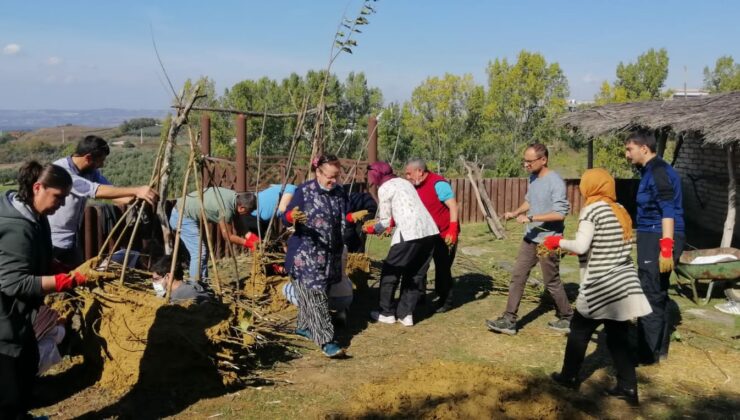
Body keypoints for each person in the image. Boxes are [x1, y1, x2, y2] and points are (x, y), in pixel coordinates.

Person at [546, 168, 652, 406]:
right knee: (617, 338)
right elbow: (606, 244)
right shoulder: (620, 210)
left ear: (591, 186)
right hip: (623, 284)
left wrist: (557, 242)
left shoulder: (592, 210)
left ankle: (568, 376)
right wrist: (575, 248)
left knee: (579, 331)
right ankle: (628, 387)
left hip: (601, 285)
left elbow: (582, 245)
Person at [0, 161, 93, 419]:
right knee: (8, 385)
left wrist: (58, 267)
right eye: (58, 197)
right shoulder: (16, 227)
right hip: (3, 321)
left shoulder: (36, 216)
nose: (61, 205)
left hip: (19, 317)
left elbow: (36, 257)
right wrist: (66, 281)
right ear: (37, 187)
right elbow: (13, 283)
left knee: (26, 366)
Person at [282, 154, 366, 358]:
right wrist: (291, 217)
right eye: (329, 176)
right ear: (318, 172)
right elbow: (284, 218)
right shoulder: (304, 191)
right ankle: (327, 341)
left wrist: (351, 217)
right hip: (306, 256)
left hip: (331, 255)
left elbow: (342, 216)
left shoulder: (339, 192)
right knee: (317, 297)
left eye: (336, 176)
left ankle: (303, 326)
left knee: (318, 295)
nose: (334, 180)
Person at [486, 143, 573, 335]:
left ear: (543, 159)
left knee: (551, 281)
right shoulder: (533, 178)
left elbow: (560, 214)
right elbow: (530, 201)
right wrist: (515, 212)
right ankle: (509, 320)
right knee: (518, 275)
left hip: (548, 240)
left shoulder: (555, 181)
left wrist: (532, 218)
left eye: (529, 161)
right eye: (524, 161)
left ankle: (567, 317)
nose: (526, 165)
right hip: (530, 237)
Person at [48, 135, 159, 268]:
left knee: (74, 277)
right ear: (88, 158)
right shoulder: (62, 171)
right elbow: (96, 191)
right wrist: (137, 190)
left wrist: (136, 198)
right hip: (51, 239)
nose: (102, 165)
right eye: (100, 161)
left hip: (72, 238)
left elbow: (111, 191)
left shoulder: (90, 171)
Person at [624, 129, 685, 364]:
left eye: (630, 149)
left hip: (660, 236)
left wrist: (666, 247)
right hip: (651, 234)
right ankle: (657, 349)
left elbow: (668, 209)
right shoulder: (649, 170)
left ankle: (647, 354)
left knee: (650, 291)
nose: (627, 155)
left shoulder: (659, 171)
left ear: (644, 148)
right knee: (656, 290)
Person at [364, 161, 438, 327]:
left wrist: (371, 229)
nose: (370, 179)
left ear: (377, 175)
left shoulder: (384, 188)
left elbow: (385, 221)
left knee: (390, 271)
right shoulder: (405, 182)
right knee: (415, 274)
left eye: (371, 176)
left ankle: (386, 312)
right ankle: (406, 314)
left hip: (409, 231)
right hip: (429, 230)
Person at [405, 158, 460, 313]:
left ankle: (445, 301)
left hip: (444, 234)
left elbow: (453, 206)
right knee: (419, 265)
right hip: (425, 233)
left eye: (409, 173)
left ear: (419, 171)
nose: (407, 177)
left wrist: (453, 229)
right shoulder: (415, 186)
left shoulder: (439, 184)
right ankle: (419, 296)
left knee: (442, 268)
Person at [169, 187, 257, 282]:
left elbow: (239, 223)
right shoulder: (226, 208)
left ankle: (203, 282)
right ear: (241, 208)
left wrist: (253, 239)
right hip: (182, 216)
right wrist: (249, 244)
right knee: (199, 252)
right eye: (249, 212)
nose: (248, 214)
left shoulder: (235, 198)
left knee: (203, 252)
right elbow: (228, 236)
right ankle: (195, 285)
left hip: (188, 212)